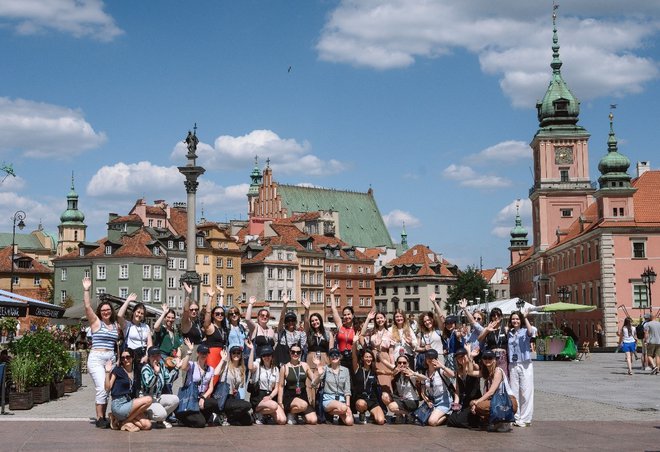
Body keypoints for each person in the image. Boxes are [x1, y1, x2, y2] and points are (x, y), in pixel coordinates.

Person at [82, 277, 119, 428]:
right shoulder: (96, 322)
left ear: (111, 311)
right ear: (100, 312)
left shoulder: (115, 325)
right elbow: (87, 307)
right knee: (102, 387)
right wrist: (86, 289)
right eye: (103, 310)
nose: (105, 312)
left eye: (108, 310)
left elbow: (116, 343)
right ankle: (99, 418)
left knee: (108, 388)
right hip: (97, 357)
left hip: (110, 358)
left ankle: (103, 416)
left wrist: (117, 359)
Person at [175, 343, 223, 428]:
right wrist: (189, 352)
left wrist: (203, 397)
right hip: (190, 397)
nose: (203, 355)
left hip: (201, 397)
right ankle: (182, 417)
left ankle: (204, 416)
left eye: (205, 353)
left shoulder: (210, 369)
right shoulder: (192, 365)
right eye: (202, 353)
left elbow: (211, 388)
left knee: (213, 402)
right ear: (198, 353)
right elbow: (183, 367)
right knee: (200, 423)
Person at [105, 349, 153, 432]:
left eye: (128, 357)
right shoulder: (117, 370)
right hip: (119, 404)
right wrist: (107, 372)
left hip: (129, 403)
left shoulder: (136, 371)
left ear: (133, 357)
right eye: (123, 358)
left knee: (147, 425)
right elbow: (107, 388)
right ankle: (125, 421)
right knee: (148, 399)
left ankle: (120, 421)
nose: (125, 360)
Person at [470, 350, 518, 432]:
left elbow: (491, 392)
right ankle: (496, 422)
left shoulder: (498, 371)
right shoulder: (487, 372)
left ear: (495, 360)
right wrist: (471, 357)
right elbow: (470, 372)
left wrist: (477, 402)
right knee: (471, 403)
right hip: (497, 401)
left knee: (479, 405)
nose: (487, 360)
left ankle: (504, 422)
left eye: (490, 358)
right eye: (485, 358)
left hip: (508, 401)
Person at [117, 293, 153, 390]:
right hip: (131, 355)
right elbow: (119, 315)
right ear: (133, 312)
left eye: (142, 313)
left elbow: (149, 343)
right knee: (131, 378)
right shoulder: (127, 325)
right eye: (138, 312)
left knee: (142, 380)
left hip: (143, 354)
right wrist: (128, 301)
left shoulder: (146, 326)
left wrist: (147, 355)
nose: (139, 315)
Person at [302, 297, 332, 407]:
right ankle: (311, 406)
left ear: (320, 320)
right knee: (310, 383)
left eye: (317, 320)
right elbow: (305, 322)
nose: (315, 322)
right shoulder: (309, 333)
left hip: (324, 360)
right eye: (313, 321)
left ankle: (322, 408)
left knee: (323, 383)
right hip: (310, 359)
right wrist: (307, 309)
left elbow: (331, 350)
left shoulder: (328, 334)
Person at [277, 343, 318, 425]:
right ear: (289, 352)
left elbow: (314, 381)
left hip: (302, 395)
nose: (295, 354)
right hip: (290, 396)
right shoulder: (284, 367)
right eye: (293, 352)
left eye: (298, 352)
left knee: (313, 420)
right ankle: (290, 412)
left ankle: (299, 414)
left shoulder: (305, 365)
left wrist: (317, 366)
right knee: (303, 405)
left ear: (301, 353)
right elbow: (281, 386)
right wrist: (280, 403)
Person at [507, 309, 534, 427]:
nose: (515, 321)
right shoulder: (509, 332)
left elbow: (531, 331)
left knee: (526, 391)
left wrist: (525, 317)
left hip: (525, 364)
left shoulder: (524, 331)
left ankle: (526, 418)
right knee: (513, 391)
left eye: (517, 319)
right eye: (513, 319)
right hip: (513, 364)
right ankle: (515, 416)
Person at [361, 308, 393, 405]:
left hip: (384, 358)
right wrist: (368, 319)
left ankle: (389, 407)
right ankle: (377, 407)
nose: (380, 320)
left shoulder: (389, 333)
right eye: (377, 318)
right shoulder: (372, 332)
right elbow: (362, 334)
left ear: (385, 319)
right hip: (373, 358)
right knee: (374, 384)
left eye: (381, 318)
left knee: (385, 384)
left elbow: (391, 352)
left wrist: (392, 365)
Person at [141, 346, 179, 428]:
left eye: (157, 355)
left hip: (158, 397)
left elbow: (168, 380)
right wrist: (156, 373)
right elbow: (148, 384)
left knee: (175, 399)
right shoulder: (145, 368)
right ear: (149, 357)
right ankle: (148, 414)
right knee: (161, 414)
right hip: (148, 399)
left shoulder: (161, 365)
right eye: (153, 356)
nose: (155, 358)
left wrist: (176, 368)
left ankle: (160, 419)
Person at [313, 348, 353, 426]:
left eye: (336, 354)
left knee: (349, 422)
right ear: (329, 358)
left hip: (341, 399)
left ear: (340, 356)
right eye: (332, 355)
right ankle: (331, 411)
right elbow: (313, 384)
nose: (334, 357)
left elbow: (347, 390)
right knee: (343, 408)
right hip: (328, 399)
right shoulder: (325, 369)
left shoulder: (345, 370)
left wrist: (348, 405)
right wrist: (319, 373)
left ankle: (330, 414)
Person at [214, 345, 253, 425]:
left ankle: (228, 417)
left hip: (233, 398)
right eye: (233, 353)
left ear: (241, 355)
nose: (236, 355)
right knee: (247, 405)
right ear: (230, 354)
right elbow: (216, 372)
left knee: (248, 420)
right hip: (223, 397)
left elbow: (237, 387)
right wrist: (222, 359)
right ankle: (222, 415)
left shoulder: (242, 369)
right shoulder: (226, 365)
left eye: (238, 353)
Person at [247, 343, 285, 425]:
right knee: (274, 406)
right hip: (258, 396)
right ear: (261, 357)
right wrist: (252, 349)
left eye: (268, 355)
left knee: (282, 420)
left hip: (270, 396)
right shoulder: (257, 365)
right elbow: (250, 367)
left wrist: (270, 396)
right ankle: (257, 413)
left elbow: (277, 387)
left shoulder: (275, 369)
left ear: (272, 356)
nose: (266, 357)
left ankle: (264, 414)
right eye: (264, 355)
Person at [446, 347, 481, 429]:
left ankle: (477, 420)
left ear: (466, 356)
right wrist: (455, 405)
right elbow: (457, 391)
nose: (461, 359)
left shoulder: (473, 366)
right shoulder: (458, 372)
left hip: (474, 400)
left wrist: (470, 356)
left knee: (460, 421)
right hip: (464, 402)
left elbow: (477, 368)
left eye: (462, 356)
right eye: (458, 357)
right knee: (451, 420)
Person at [419, 349, 455, 426]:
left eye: (432, 358)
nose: (430, 360)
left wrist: (442, 366)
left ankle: (448, 415)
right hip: (432, 401)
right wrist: (427, 401)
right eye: (428, 357)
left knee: (432, 422)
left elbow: (452, 375)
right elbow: (422, 392)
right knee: (422, 419)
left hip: (444, 401)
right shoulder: (424, 373)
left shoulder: (441, 371)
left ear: (436, 359)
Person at [351, 346, 385, 425]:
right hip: (360, 399)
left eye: (370, 357)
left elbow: (389, 372)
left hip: (372, 400)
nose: (368, 359)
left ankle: (372, 415)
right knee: (361, 404)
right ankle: (362, 413)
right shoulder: (357, 369)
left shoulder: (374, 371)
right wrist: (354, 343)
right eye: (366, 357)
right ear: (362, 358)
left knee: (381, 421)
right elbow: (354, 356)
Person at [387, 355, 422, 424]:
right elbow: (389, 386)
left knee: (391, 407)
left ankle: (410, 414)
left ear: (408, 364)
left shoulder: (410, 374)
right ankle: (399, 416)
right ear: (396, 364)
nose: (402, 365)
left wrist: (413, 374)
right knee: (385, 396)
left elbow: (423, 379)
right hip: (402, 399)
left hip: (411, 401)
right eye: (399, 363)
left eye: (404, 363)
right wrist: (393, 374)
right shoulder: (397, 374)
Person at [203, 288, 228, 382]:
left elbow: (220, 308)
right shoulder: (210, 327)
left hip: (222, 355)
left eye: (222, 314)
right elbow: (208, 312)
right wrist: (210, 297)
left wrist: (222, 294)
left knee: (220, 380)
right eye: (217, 314)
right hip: (212, 354)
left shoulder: (223, 328)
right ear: (213, 315)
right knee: (212, 378)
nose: (220, 315)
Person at [276, 294, 307, 367]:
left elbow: (306, 327)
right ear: (285, 323)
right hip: (283, 362)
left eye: (293, 320)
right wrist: (285, 305)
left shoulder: (299, 333)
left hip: (296, 363)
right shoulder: (282, 332)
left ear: (296, 322)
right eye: (288, 321)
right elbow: (281, 319)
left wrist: (307, 310)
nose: (291, 322)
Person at [329, 284, 355, 370]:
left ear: (353, 315)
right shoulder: (340, 326)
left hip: (353, 357)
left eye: (348, 314)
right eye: (344, 315)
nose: (347, 317)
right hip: (341, 357)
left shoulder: (357, 328)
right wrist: (332, 294)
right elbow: (334, 310)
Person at [479, 308, 508, 376]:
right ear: (491, 317)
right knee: (491, 376)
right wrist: (487, 330)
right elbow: (479, 339)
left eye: (498, 315)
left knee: (503, 377)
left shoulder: (505, 329)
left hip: (503, 357)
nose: (496, 317)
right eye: (494, 315)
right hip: (491, 357)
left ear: (501, 316)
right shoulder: (488, 328)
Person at [180, 282, 205, 354]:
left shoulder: (197, 322)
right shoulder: (186, 322)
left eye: (196, 309)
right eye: (191, 309)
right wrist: (188, 295)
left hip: (199, 351)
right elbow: (185, 311)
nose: (194, 311)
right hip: (189, 351)